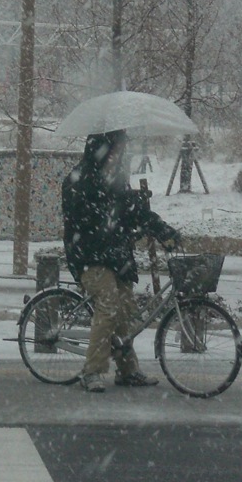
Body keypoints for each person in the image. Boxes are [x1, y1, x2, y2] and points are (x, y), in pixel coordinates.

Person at [62, 129, 181, 393]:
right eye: (114, 150)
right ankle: (91, 371)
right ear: (100, 150)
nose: (118, 156)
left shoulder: (116, 179)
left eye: (120, 151)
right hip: (88, 257)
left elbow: (131, 212)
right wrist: (109, 214)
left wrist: (161, 229)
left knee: (125, 311)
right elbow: (83, 221)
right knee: (108, 307)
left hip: (116, 256)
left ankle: (127, 370)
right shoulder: (79, 180)